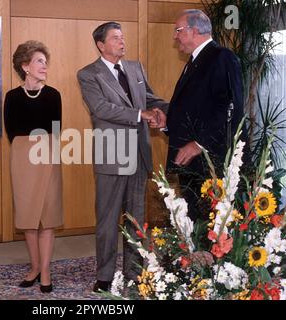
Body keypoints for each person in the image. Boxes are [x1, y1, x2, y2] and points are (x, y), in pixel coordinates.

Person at [77, 21, 169, 292]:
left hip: (139, 153)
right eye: (115, 38)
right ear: (101, 44)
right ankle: (104, 276)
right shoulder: (88, 74)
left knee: (136, 218)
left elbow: (149, 98)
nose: (121, 41)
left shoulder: (135, 67)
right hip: (112, 154)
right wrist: (140, 115)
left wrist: (164, 110)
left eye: (122, 36)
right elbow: (100, 108)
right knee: (108, 220)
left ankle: (134, 272)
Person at [154, 9, 244, 221]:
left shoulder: (222, 57)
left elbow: (231, 108)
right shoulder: (194, 61)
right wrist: (168, 124)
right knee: (195, 223)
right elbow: (195, 109)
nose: (175, 37)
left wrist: (199, 143)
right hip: (193, 165)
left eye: (178, 30)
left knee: (211, 226)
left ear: (194, 31)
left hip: (211, 162)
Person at [4, 40, 63, 293]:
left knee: (47, 219)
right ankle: (35, 267)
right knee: (29, 220)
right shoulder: (12, 97)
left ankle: (46, 270)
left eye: (45, 62)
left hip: (48, 159)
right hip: (23, 162)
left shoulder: (53, 95)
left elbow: (56, 132)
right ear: (25, 66)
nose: (44, 66)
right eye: (39, 61)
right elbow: (12, 134)